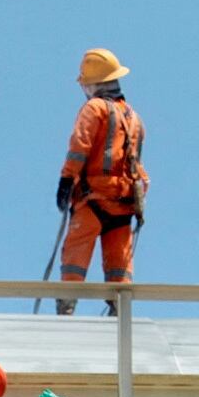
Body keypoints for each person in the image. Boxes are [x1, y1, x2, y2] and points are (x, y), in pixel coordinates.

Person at [51, 49, 146, 309]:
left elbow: (79, 146)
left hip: (92, 198)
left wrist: (66, 182)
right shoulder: (135, 119)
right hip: (123, 204)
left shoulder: (94, 109)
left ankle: (66, 309)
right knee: (119, 269)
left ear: (92, 83)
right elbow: (137, 166)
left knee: (74, 257)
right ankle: (120, 313)